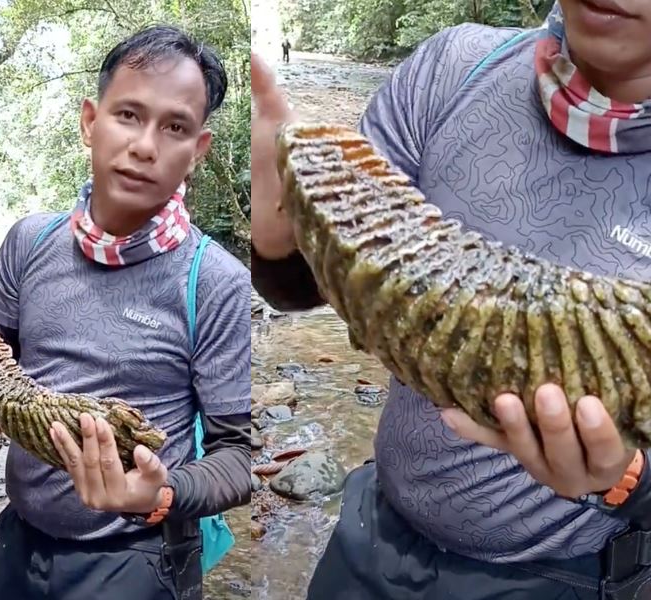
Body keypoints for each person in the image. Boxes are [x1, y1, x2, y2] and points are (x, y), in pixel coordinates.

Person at [251, 1, 651, 598]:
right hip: (373, 535)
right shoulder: (454, 67)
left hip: (565, 574)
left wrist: (628, 481)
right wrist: (279, 238)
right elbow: (325, 281)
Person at [0, 25, 251, 600]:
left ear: (198, 151)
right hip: (18, 542)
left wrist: (159, 496)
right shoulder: (29, 243)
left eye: (175, 126)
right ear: (91, 121)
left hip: (139, 559)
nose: (145, 145)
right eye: (128, 115)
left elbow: (237, 461)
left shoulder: (212, 282)